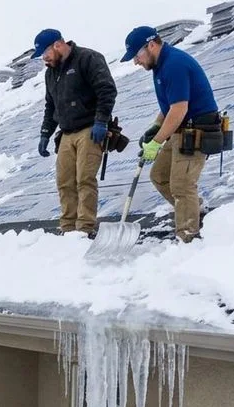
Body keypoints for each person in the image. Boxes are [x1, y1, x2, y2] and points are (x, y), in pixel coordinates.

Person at [122, 25, 220, 243]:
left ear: (151, 45)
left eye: (136, 56)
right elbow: (169, 106)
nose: (135, 62)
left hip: (196, 131)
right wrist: (156, 127)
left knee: (182, 185)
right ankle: (196, 210)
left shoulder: (174, 64)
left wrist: (156, 142)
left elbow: (179, 109)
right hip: (181, 130)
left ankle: (188, 236)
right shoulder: (160, 65)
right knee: (159, 175)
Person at [34, 29, 118, 237]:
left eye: (45, 53)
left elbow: (106, 90)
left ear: (58, 44)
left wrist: (101, 120)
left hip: (90, 128)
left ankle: (85, 227)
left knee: (85, 179)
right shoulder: (51, 72)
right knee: (64, 182)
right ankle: (68, 228)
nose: (44, 58)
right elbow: (50, 105)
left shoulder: (88, 58)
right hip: (66, 132)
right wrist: (45, 133)